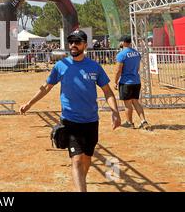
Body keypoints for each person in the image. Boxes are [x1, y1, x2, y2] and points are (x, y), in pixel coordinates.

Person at [20, 29, 121, 192]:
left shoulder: (94, 67)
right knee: (77, 161)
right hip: (70, 121)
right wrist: (29, 104)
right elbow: (46, 87)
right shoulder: (61, 66)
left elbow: (107, 92)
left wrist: (115, 112)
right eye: (71, 42)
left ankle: (81, 179)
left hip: (91, 122)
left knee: (87, 160)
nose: (73, 45)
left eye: (77, 42)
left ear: (85, 45)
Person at [114, 35, 151, 130]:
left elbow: (118, 70)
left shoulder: (121, 54)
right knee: (135, 101)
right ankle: (143, 121)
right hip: (136, 81)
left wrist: (115, 81)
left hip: (126, 82)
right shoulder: (136, 53)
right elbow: (138, 68)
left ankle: (129, 122)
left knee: (128, 104)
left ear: (123, 42)